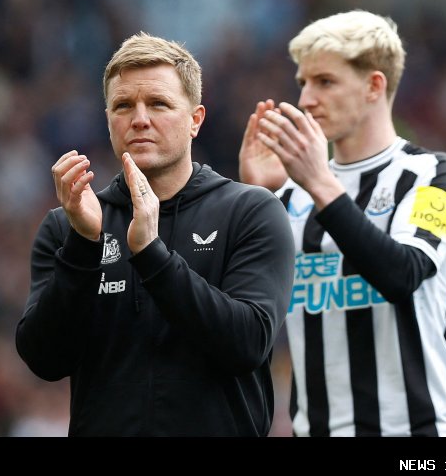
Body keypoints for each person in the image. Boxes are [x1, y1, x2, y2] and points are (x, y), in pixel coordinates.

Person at [17, 33, 296, 436]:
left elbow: (248, 344)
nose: (140, 119)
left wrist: (152, 255)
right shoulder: (69, 225)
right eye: (123, 106)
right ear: (108, 120)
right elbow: (45, 360)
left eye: (159, 103)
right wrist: (82, 246)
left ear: (195, 120)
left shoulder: (250, 212)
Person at [239, 10, 446, 437]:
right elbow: (240, 316)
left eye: (324, 82)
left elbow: (402, 274)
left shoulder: (432, 175)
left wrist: (319, 185)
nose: (306, 99)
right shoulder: (288, 195)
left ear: (374, 86)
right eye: (303, 83)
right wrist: (254, 200)